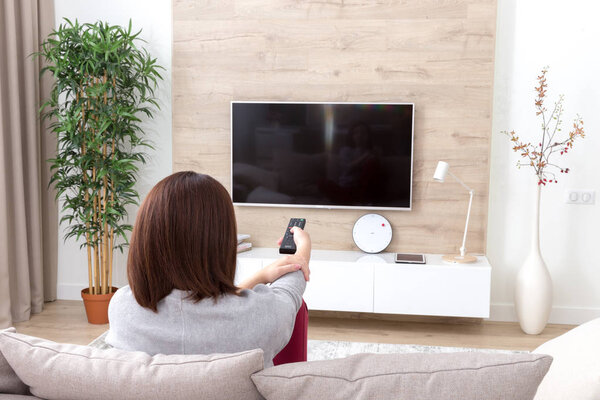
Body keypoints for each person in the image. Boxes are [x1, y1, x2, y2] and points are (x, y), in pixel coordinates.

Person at [106, 171, 311, 367]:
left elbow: (192, 310)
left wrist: (260, 276)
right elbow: (289, 292)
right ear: (221, 243)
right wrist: (303, 247)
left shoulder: (122, 308)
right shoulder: (259, 316)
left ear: (145, 240)